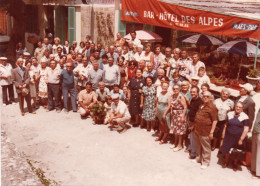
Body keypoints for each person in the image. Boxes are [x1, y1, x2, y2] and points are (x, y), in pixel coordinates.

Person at [193, 91, 218, 169]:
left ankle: (206, 162)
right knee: (198, 144)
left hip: (205, 130)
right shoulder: (201, 105)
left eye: (207, 96)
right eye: (204, 96)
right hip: (197, 128)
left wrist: (211, 132)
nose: (205, 98)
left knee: (206, 147)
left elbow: (215, 120)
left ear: (210, 98)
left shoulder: (213, 107)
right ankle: (198, 158)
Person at [221, 102, 249, 171]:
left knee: (236, 151)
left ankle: (235, 163)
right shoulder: (230, 114)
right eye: (236, 106)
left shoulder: (245, 117)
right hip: (228, 136)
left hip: (238, 137)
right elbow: (226, 125)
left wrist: (241, 139)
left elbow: (246, 129)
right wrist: (223, 134)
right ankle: (226, 161)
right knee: (227, 149)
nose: (238, 108)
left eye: (240, 107)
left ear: (242, 109)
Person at [164, 84, 187, 152]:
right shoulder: (173, 96)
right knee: (175, 129)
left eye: (177, 89)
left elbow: (185, 107)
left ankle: (179, 145)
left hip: (180, 114)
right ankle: (175, 143)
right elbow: (171, 105)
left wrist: (183, 116)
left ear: (179, 89)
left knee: (180, 131)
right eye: (174, 89)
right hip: (174, 114)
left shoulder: (181, 96)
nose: (175, 90)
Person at [187, 86, 203, 159]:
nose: (192, 93)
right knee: (191, 136)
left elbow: (199, 114)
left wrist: (193, 124)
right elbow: (190, 110)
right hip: (191, 120)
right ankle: (191, 148)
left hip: (195, 122)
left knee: (194, 138)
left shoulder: (200, 102)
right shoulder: (192, 99)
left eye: (194, 92)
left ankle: (193, 153)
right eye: (191, 92)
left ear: (198, 93)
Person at [251, 108, 260, 178]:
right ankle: (254, 169)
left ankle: (258, 174)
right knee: (255, 152)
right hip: (255, 132)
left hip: (259, 133)